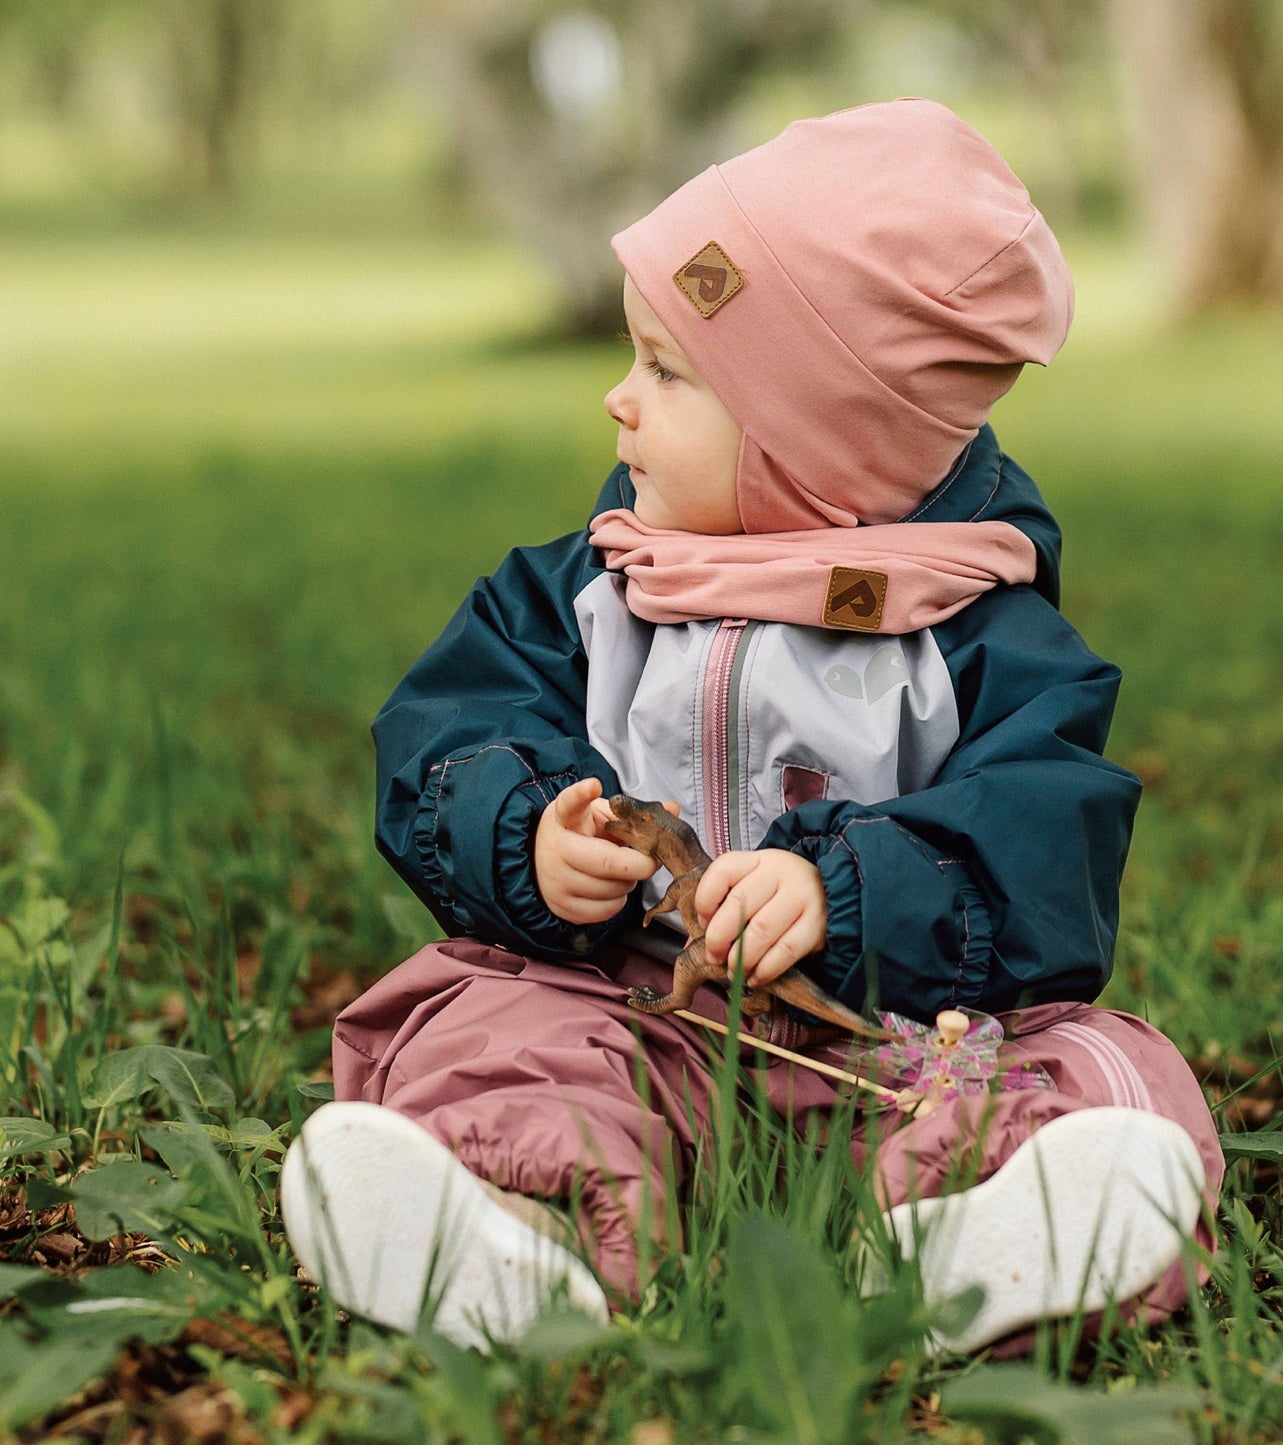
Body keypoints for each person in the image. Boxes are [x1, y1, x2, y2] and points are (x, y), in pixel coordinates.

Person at [280, 99, 1222, 1355]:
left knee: (1091, 1066)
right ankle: (516, 1224)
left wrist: (845, 889)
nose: (618, 401)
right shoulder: (590, 588)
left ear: (817, 437)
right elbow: (451, 729)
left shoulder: (972, 633)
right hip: (624, 1011)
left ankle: (979, 1237)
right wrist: (530, 831)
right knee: (486, 1024)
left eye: (668, 370)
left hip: (890, 1045)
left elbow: (1042, 842)